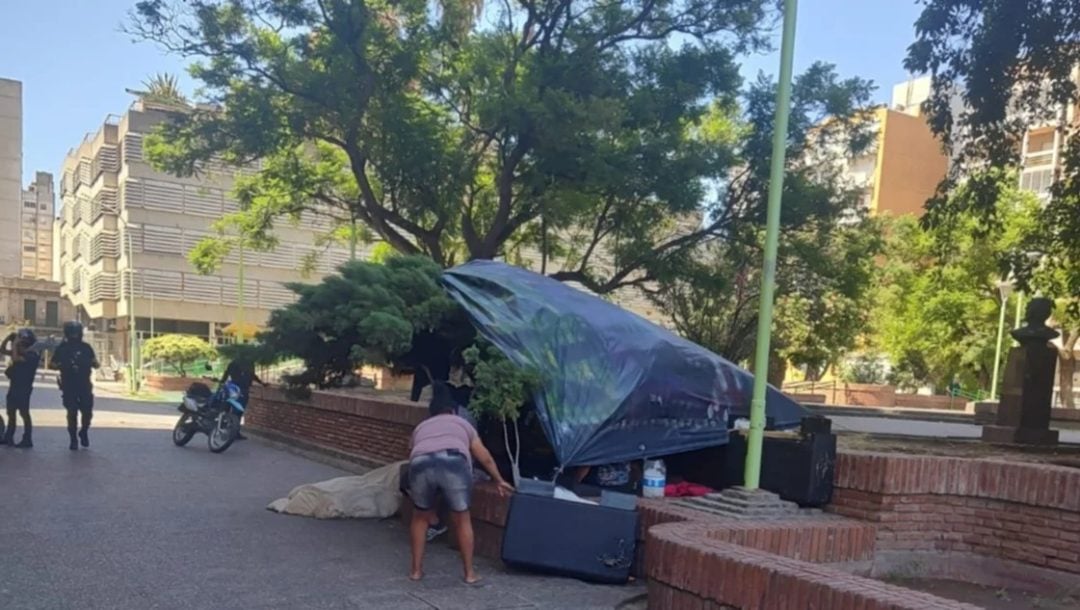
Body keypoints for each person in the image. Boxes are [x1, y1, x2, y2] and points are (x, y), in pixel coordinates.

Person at [407, 389, 513, 584]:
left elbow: (414, 453)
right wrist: (499, 480)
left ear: (432, 413)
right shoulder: (463, 424)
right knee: (462, 519)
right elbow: (485, 457)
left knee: (420, 517)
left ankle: (416, 571)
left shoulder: (421, 427)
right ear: (453, 411)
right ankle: (469, 573)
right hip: (453, 462)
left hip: (420, 464)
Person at [50, 322, 99, 450]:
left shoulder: (86, 347)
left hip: (84, 384)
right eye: (72, 332)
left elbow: (95, 363)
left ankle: (84, 431)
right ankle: (73, 439)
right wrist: (62, 366)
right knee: (72, 413)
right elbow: (52, 364)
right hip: (69, 384)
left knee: (87, 412)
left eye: (76, 332)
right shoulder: (62, 348)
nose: (75, 335)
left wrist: (92, 363)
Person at [1, 329, 40, 448]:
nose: (20, 346)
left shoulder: (32, 355)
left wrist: (15, 344)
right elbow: (2, 350)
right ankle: (9, 436)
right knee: (11, 412)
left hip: (24, 388)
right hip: (14, 386)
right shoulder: (19, 352)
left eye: (23, 344)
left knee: (24, 413)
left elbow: (16, 358)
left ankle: (27, 438)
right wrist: (8, 338)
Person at [219, 357, 266, 440]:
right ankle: (231, 430)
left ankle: (227, 428)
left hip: (235, 387)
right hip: (240, 389)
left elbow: (227, 372)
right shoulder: (247, 362)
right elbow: (252, 375)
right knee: (237, 410)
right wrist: (261, 383)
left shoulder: (235, 361)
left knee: (230, 408)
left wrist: (222, 382)